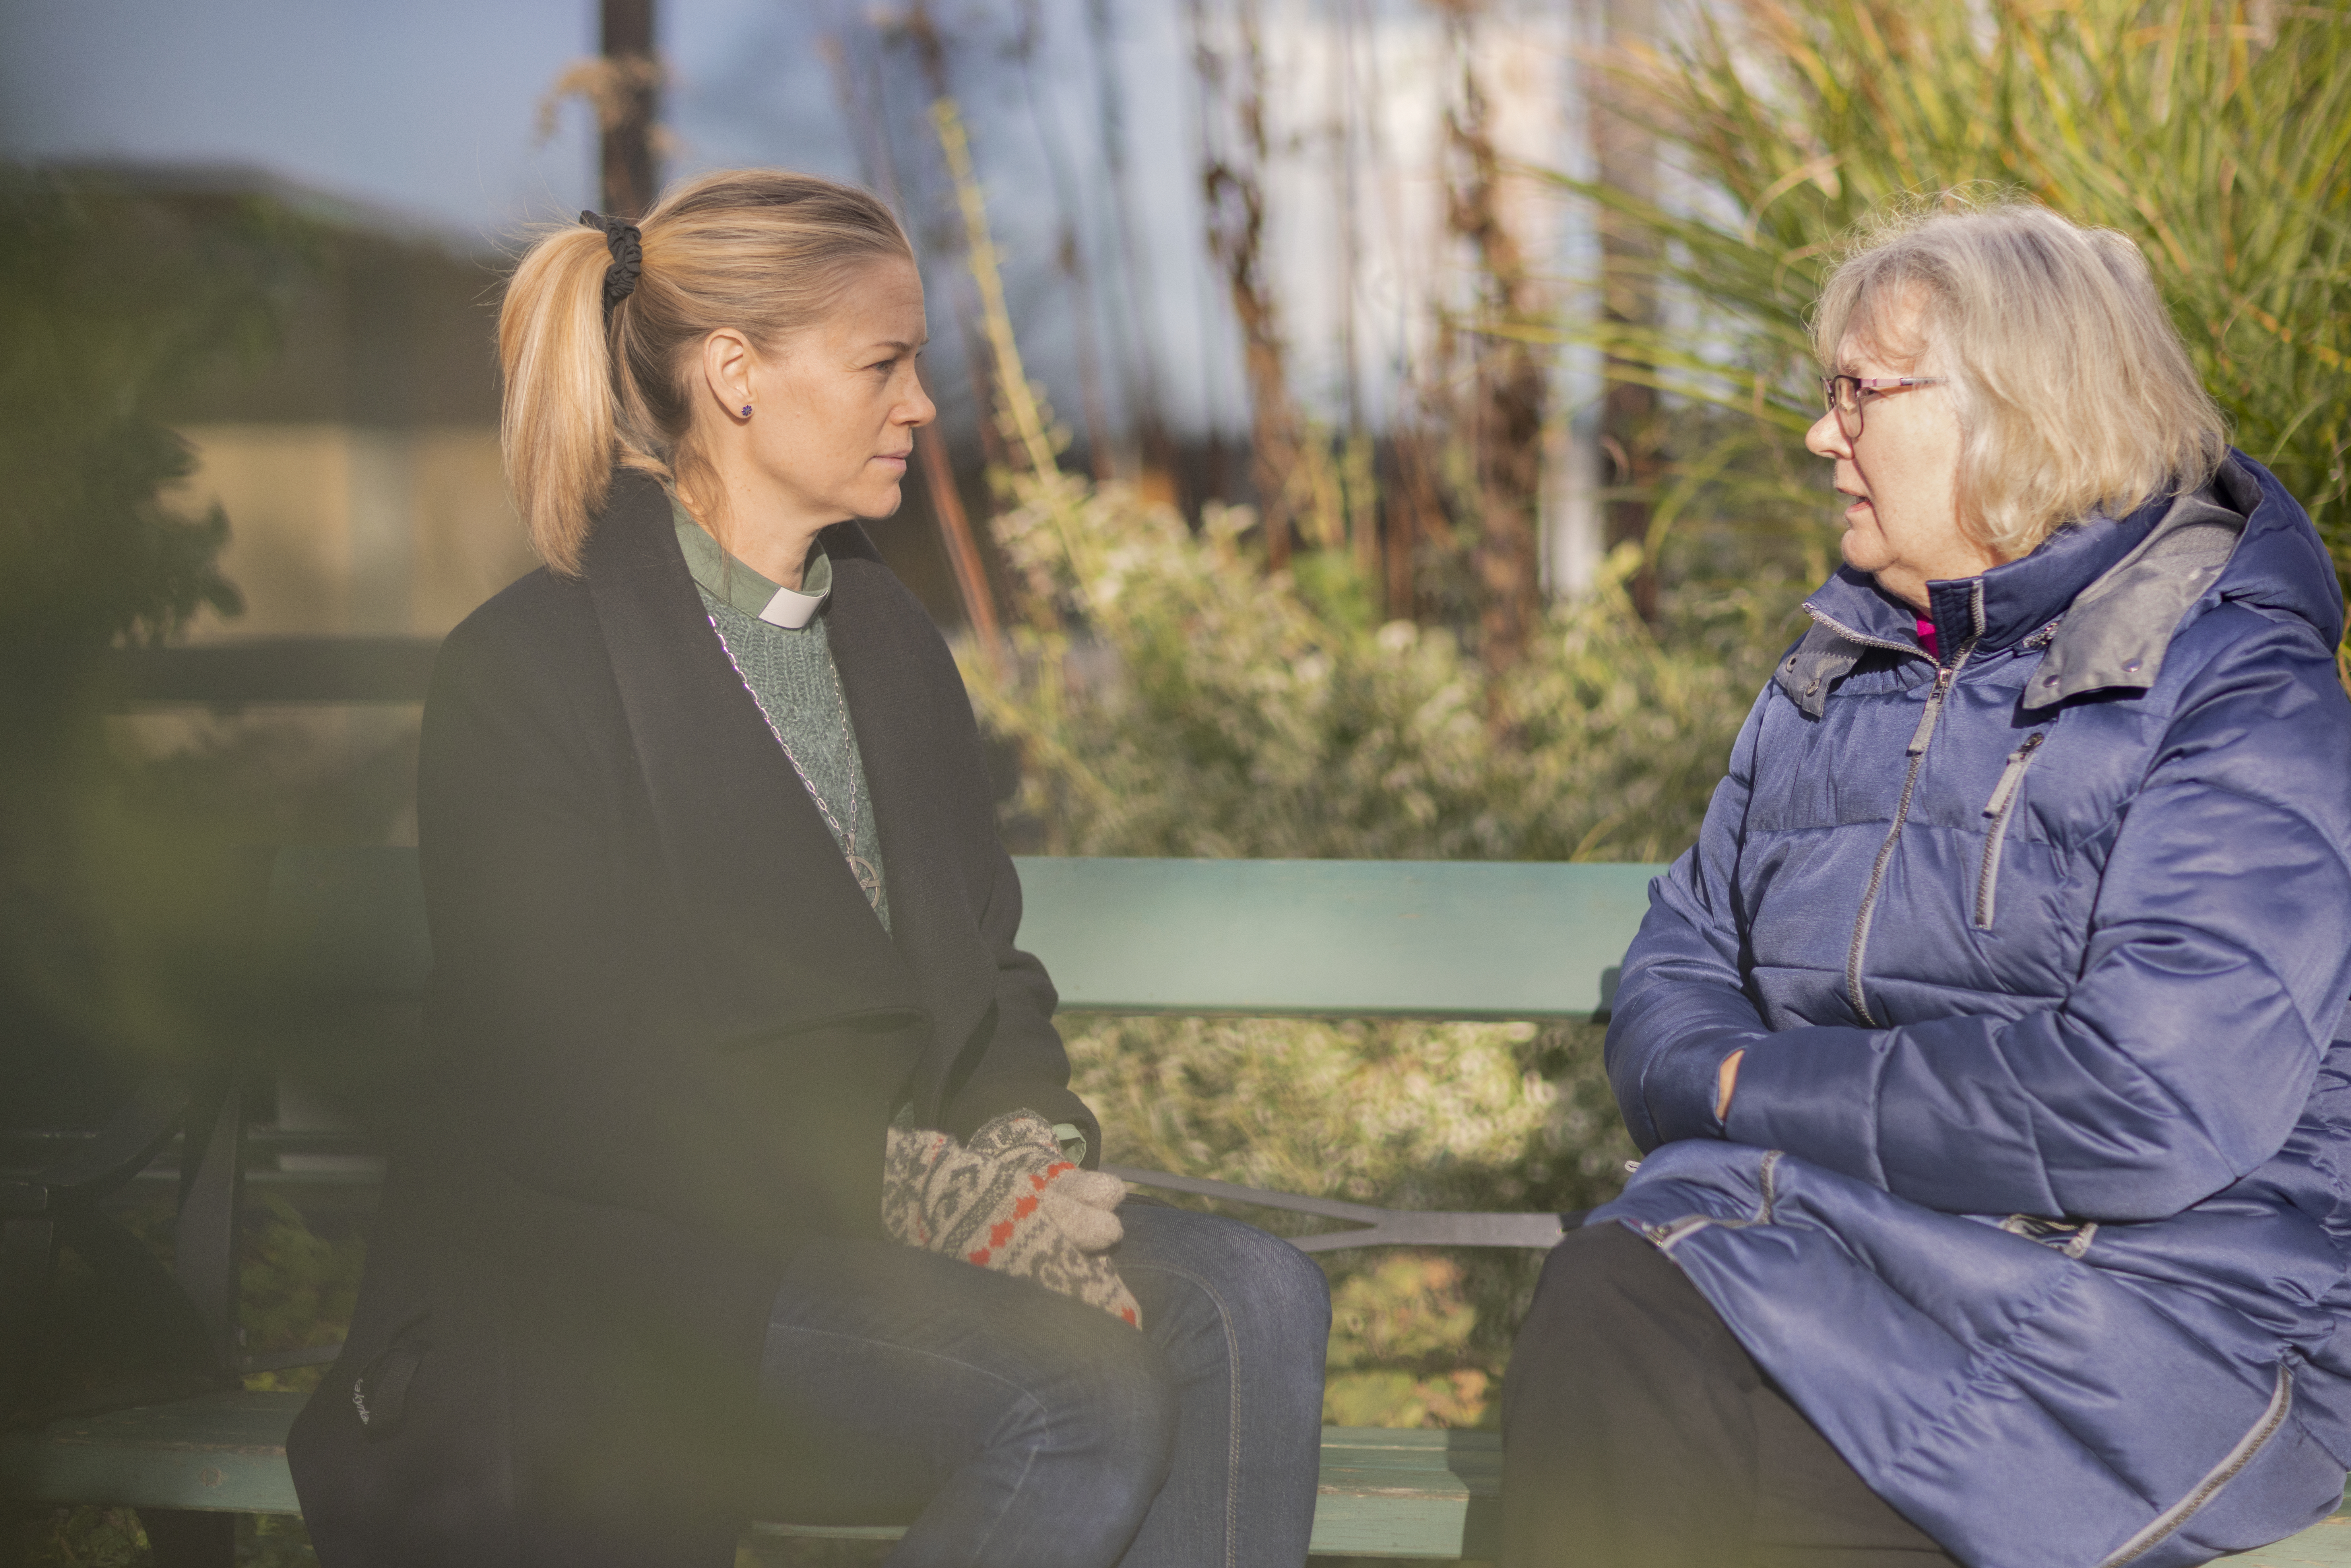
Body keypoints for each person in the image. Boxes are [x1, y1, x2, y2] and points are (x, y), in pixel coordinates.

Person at [285, 169, 1330, 1568]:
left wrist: (1021, 1147)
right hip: (622, 1271)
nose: (918, 405)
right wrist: (921, 1192)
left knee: (1257, 1299)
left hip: (857, 1239)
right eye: (883, 364)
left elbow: (989, 967)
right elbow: (565, 1082)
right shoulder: (531, 670)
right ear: (736, 376)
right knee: (1078, 1392)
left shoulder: (888, 643)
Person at [1501, 198, 2351, 1568]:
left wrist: (1743, 1096)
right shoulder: (1837, 672)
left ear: (2014, 413)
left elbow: (2147, 1101)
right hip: (1835, 1262)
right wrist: (1719, 1088)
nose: (1815, 436)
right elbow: (1676, 964)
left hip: (2144, 1321)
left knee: (1671, 1416)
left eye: (1857, 392)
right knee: (1619, 1311)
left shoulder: (2236, 692)